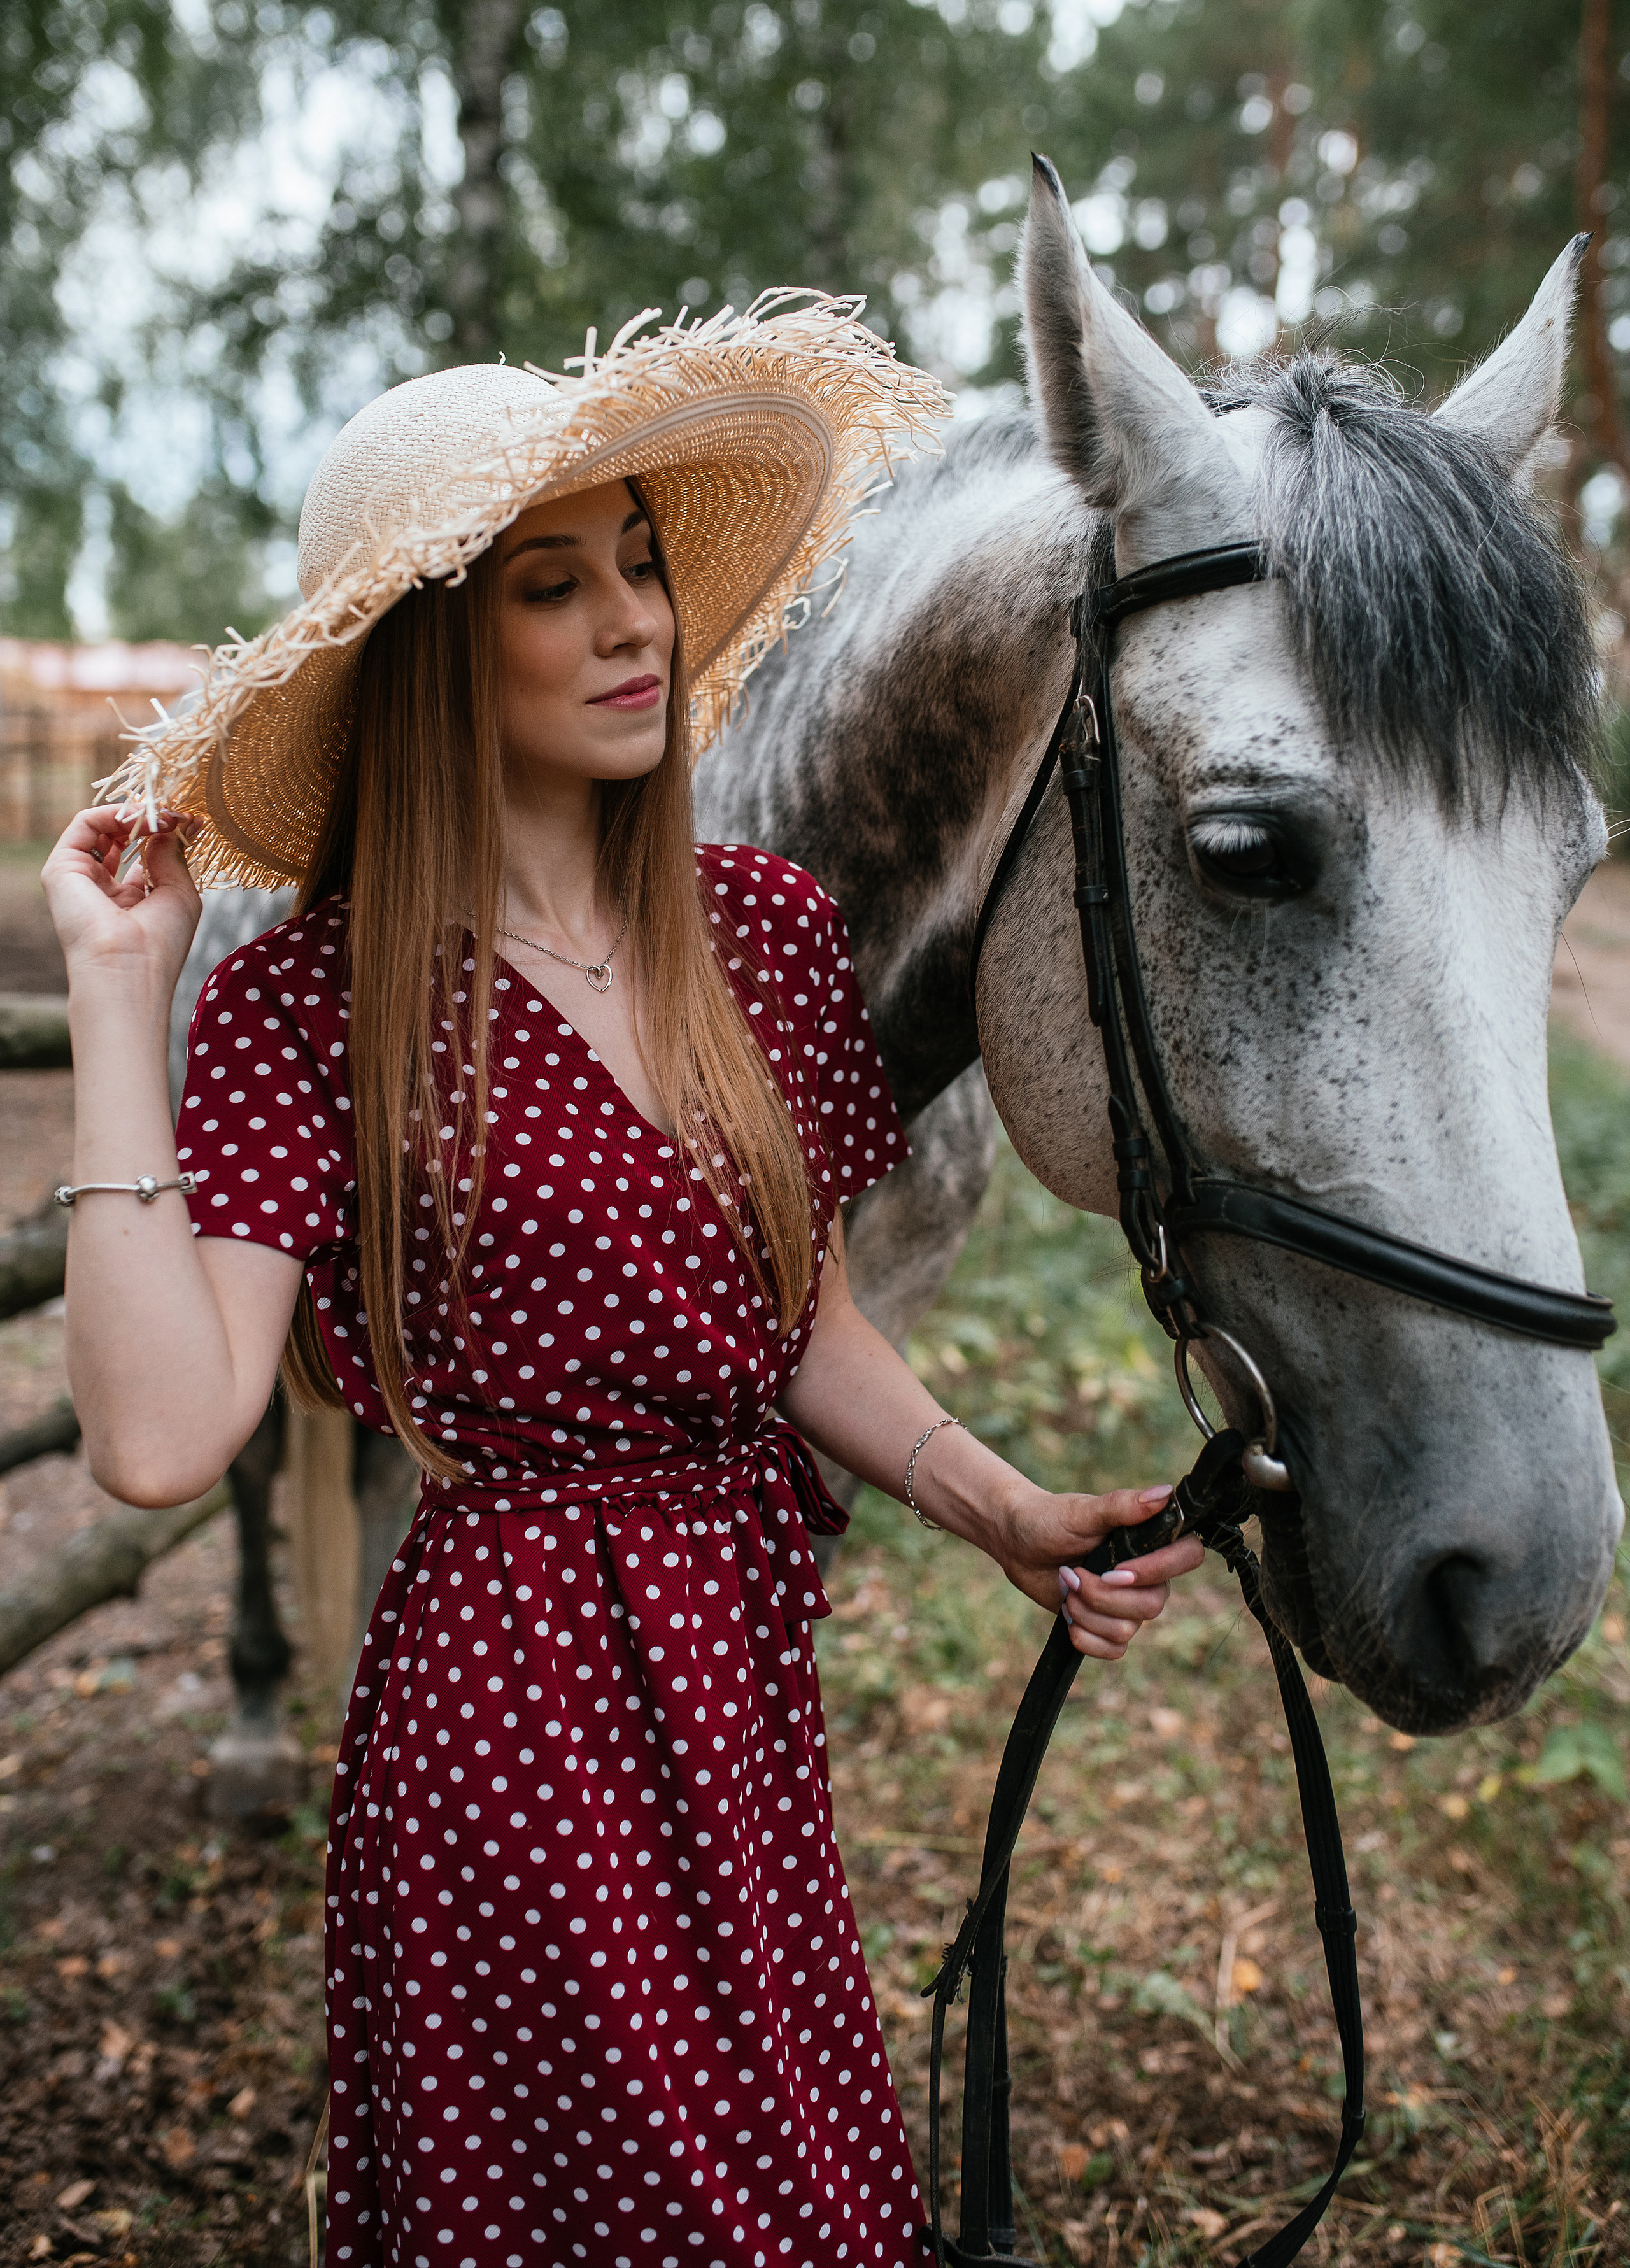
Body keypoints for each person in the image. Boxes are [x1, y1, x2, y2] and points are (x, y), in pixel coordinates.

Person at [43, 295, 1203, 2268]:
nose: (634, 624)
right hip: (510, 1721)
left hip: (736, 1691)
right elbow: (159, 1440)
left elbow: (806, 1320)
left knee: (799, 2188)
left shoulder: (748, 933)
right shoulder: (308, 1008)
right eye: (550, 588)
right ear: (431, 652)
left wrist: (1001, 1509)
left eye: (647, 568)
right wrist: (114, 994)